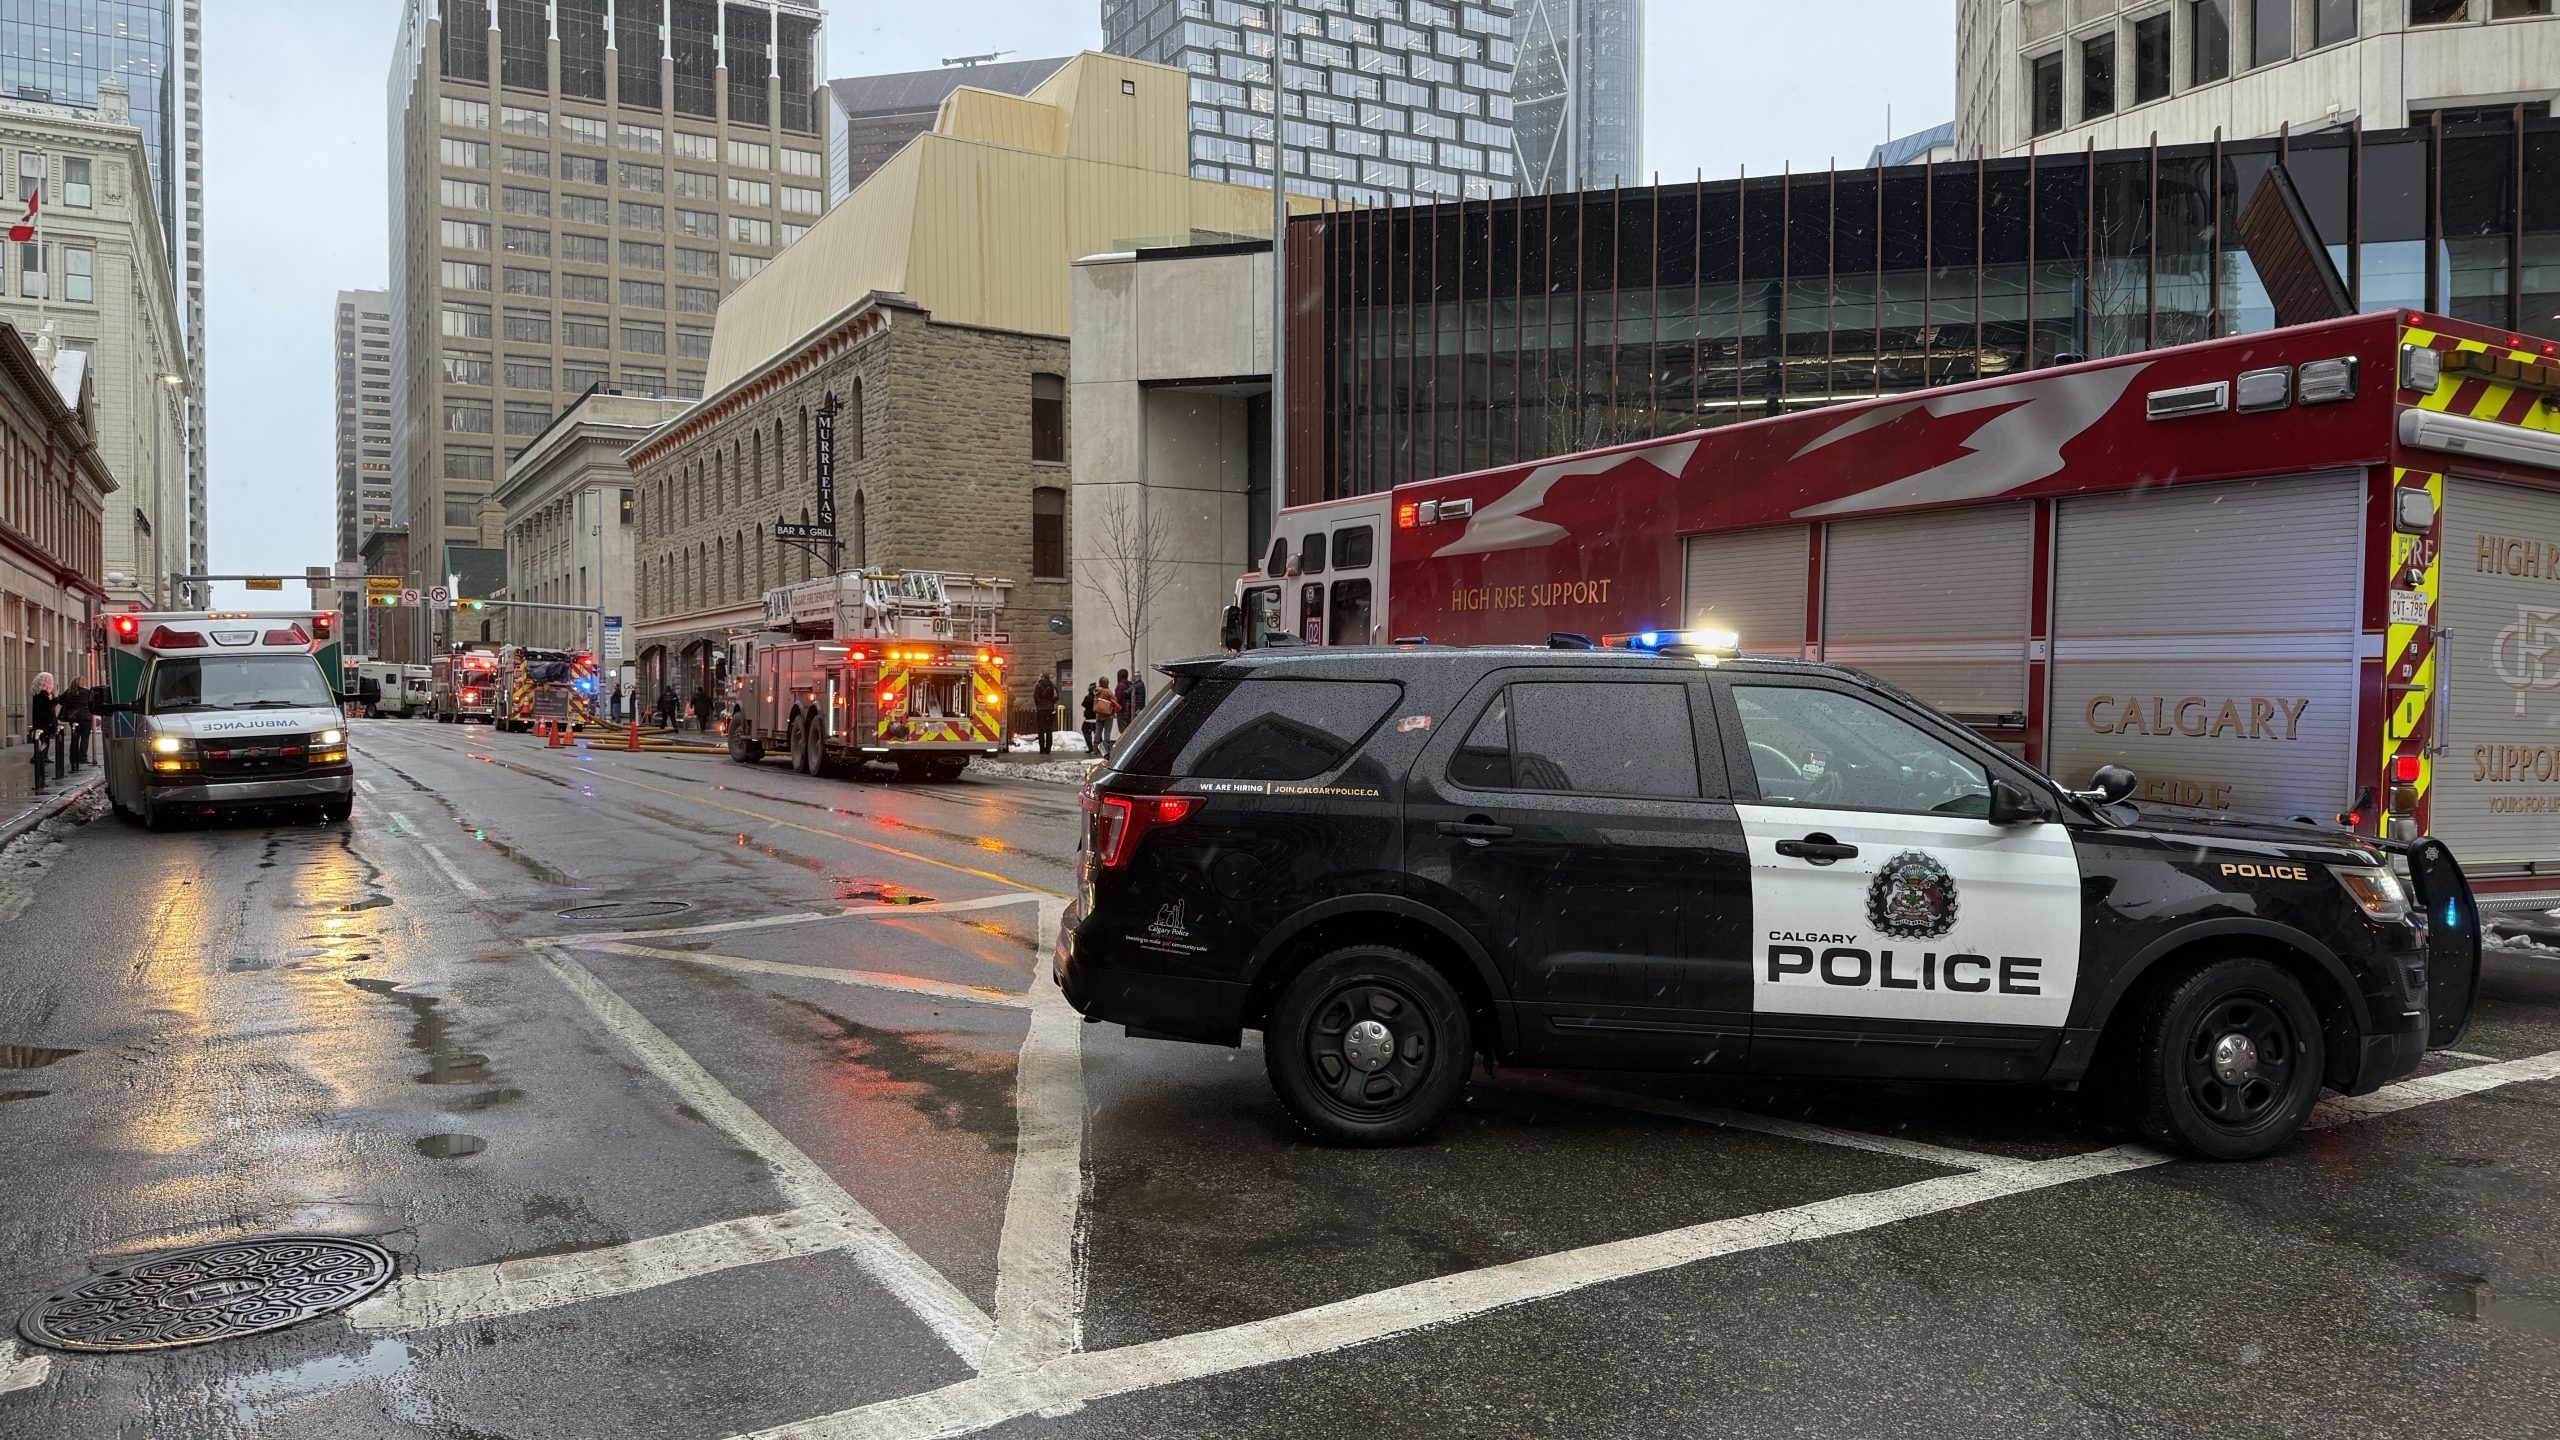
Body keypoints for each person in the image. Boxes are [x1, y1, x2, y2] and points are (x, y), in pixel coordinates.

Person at [27, 672, 56, 786]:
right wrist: (56, 699)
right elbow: (48, 705)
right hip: (43, 721)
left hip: (45, 720)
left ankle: (43, 756)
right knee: (43, 740)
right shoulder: (41, 694)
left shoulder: (45, 693)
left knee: (46, 740)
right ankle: (38, 756)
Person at [58, 677, 90, 769]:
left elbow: (60, 700)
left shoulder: (69, 692)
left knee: (74, 738)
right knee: (85, 738)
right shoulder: (87, 692)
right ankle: (83, 757)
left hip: (73, 718)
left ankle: (73, 758)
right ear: (83, 683)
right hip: (86, 718)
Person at [1031, 672, 1059, 756]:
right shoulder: (1052, 686)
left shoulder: (1038, 686)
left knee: (1041, 730)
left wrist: (1039, 704)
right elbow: (1057, 697)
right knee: (1049, 730)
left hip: (1041, 710)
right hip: (1050, 710)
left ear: (1042, 677)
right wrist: (1051, 703)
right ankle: (1048, 749)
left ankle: (1042, 748)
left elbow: (1035, 697)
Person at [1090, 679, 1120, 757]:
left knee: (1098, 732)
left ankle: (1095, 750)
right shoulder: (1107, 691)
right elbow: (1115, 700)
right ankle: (1106, 750)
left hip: (1099, 715)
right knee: (1107, 732)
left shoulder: (1097, 691)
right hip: (1108, 715)